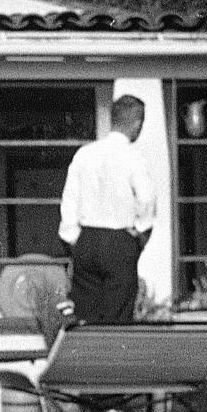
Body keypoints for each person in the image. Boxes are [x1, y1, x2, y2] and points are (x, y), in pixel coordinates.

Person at [55, 93, 160, 326]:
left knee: (85, 318)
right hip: (119, 241)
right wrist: (141, 233)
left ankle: (90, 361)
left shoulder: (84, 154)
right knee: (117, 319)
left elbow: (69, 201)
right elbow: (147, 199)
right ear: (137, 123)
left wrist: (74, 238)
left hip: (87, 239)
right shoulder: (133, 157)